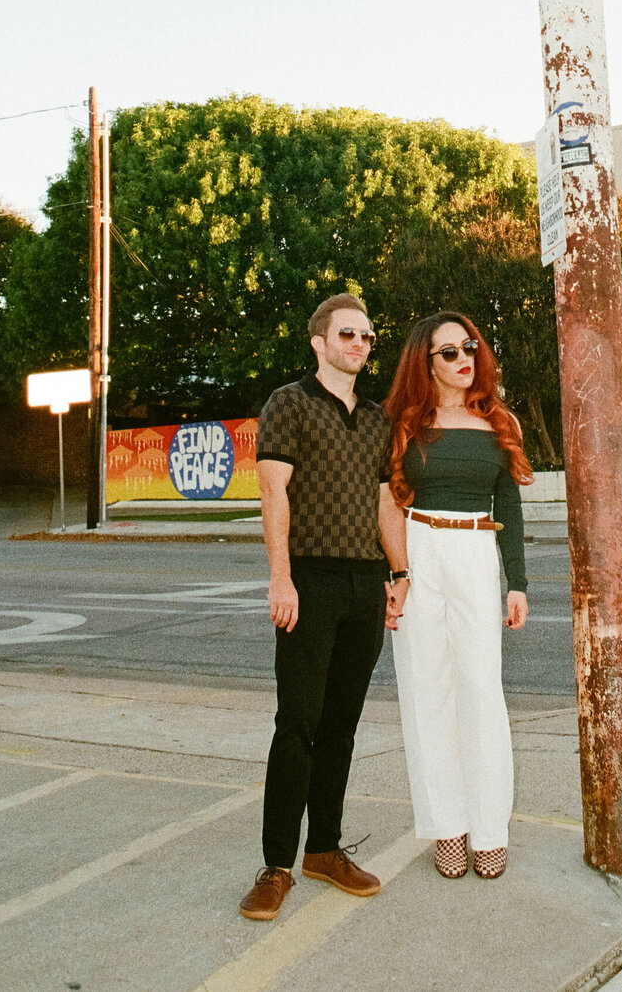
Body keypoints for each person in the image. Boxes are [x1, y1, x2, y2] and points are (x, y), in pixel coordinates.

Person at [240, 293, 410, 922]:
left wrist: (400, 572)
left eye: (366, 336)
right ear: (318, 341)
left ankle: (325, 849)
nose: (359, 345)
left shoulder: (376, 416)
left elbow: (384, 501)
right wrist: (280, 579)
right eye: (347, 335)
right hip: (308, 579)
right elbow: (272, 492)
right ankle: (276, 865)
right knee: (298, 724)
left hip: (365, 584)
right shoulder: (288, 403)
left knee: (341, 725)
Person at [384, 310, 532, 881]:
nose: (464, 358)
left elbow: (510, 510)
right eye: (448, 352)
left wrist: (515, 582)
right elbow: (391, 504)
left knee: (482, 692)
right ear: (426, 364)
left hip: (475, 551)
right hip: (420, 553)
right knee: (428, 694)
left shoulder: (500, 422)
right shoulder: (403, 424)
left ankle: (490, 829)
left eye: (468, 346)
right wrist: (394, 576)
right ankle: (448, 828)